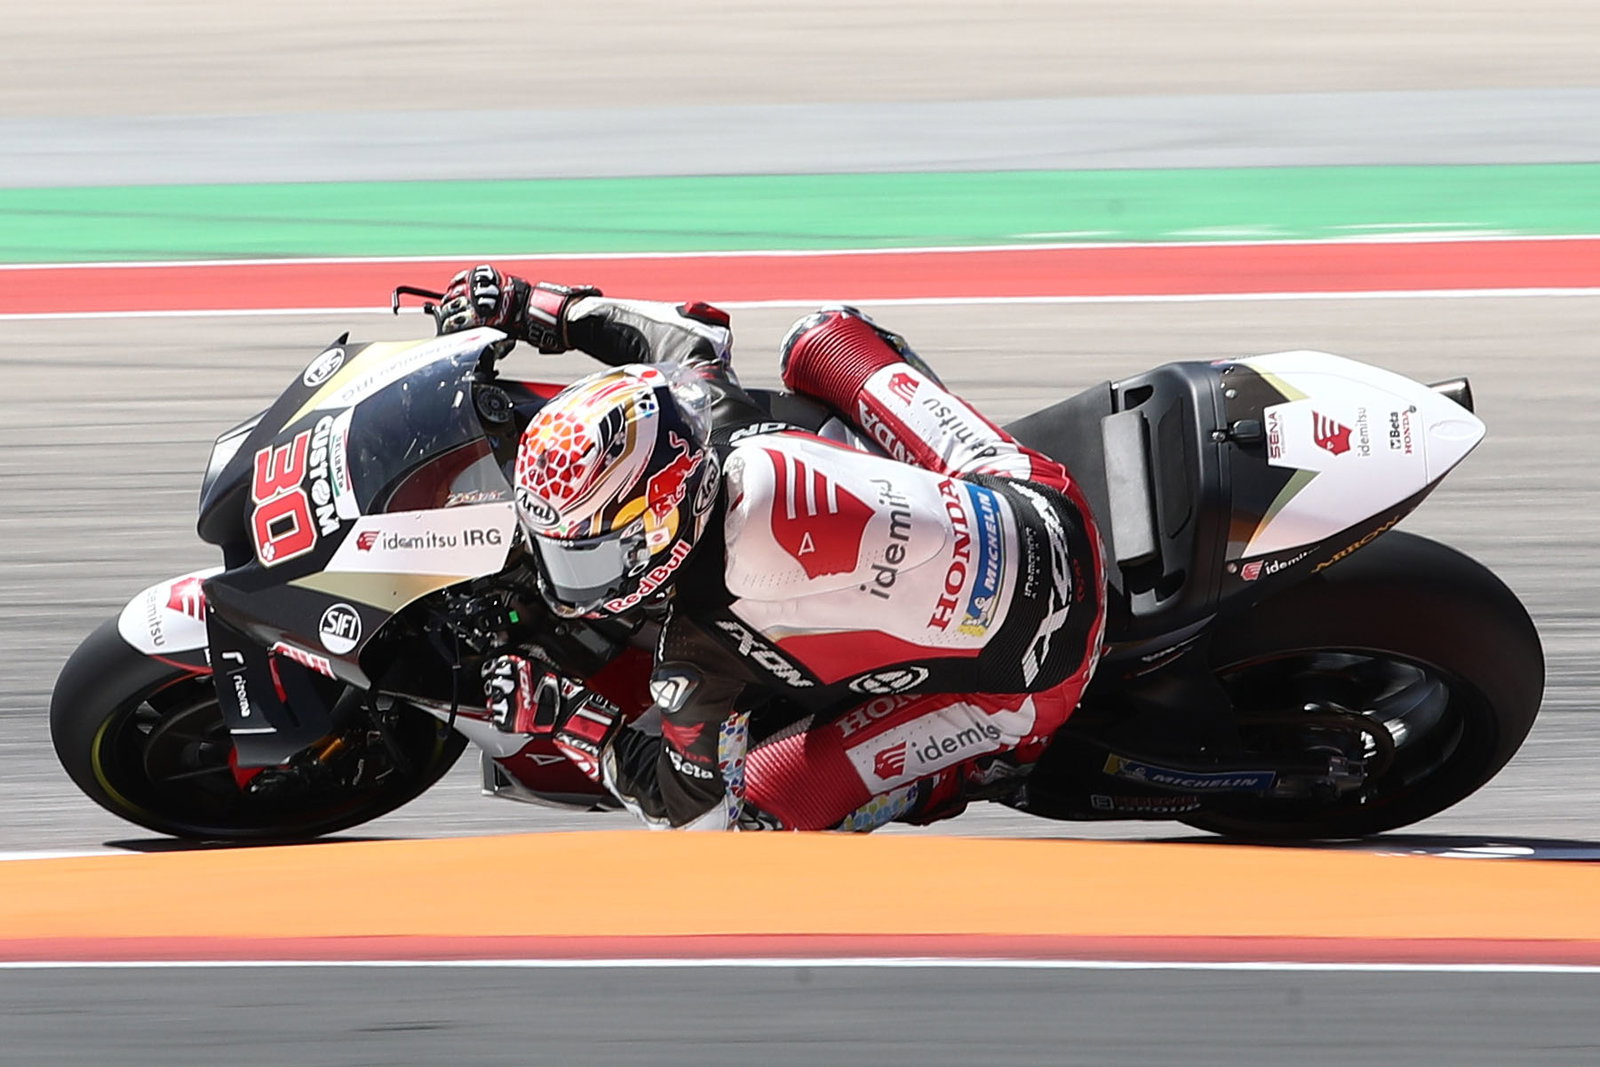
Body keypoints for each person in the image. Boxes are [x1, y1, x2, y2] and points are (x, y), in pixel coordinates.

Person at [443, 264, 1106, 830]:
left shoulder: (695, 657)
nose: (573, 583)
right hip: (1039, 495)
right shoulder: (711, 414)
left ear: (660, 521)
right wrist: (534, 306)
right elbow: (691, 334)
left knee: (755, 821)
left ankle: (972, 766)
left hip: (1033, 683)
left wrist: (564, 715)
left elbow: (692, 814)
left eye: (589, 554)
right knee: (821, 335)